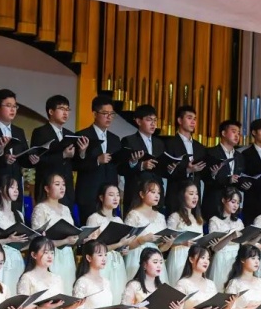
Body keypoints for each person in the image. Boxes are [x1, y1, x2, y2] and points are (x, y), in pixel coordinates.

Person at [30, 94, 88, 214]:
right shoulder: (40, 132)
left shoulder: (70, 134)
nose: (65, 113)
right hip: (47, 187)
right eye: (61, 109)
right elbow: (38, 160)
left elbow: (75, 164)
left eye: (67, 109)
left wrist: (82, 152)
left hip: (67, 189)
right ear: (51, 111)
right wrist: (62, 155)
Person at [30, 173, 81, 294]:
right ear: (47, 188)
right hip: (50, 255)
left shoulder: (66, 209)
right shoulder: (40, 208)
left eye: (63, 184)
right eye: (57, 184)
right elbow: (37, 240)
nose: (62, 187)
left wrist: (78, 238)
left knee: (67, 288)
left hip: (67, 255)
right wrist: (64, 241)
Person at [85, 183, 136, 302]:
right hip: (102, 262)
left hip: (117, 262)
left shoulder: (118, 219)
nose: (115, 198)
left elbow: (121, 244)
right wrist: (118, 244)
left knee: (118, 293)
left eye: (117, 195)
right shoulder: (94, 218)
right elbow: (92, 248)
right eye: (111, 195)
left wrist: (124, 249)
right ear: (101, 197)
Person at [74, 96, 122, 224]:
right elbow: (75, 164)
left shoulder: (115, 139)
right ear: (95, 114)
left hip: (110, 195)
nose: (109, 117)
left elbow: (117, 166)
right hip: (89, 194)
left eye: (112, 114)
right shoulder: (82, 135)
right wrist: (96, 160)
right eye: (105, 113)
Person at [0, 89, 29, 213]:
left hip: (16, 189)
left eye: (15, 106)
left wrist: (33, 159)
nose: (13, 109)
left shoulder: (19, 131)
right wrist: (1, 154)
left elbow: (24, 158)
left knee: (16, 220)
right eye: (8, 106)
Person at [0, 175, 30, 295]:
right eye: (12, 187)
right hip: (0, 258)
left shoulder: (19, 215)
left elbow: (22, 241)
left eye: (17, 188)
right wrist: (8, 240)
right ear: (1, 189)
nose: (16, 191)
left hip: (16, 258)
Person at [123, 179, 174, 282]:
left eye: (158, 193)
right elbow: (125, 244)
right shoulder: (134, 215)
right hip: (137, 257)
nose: (157, 196)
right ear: (142, 194)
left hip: (155, 258)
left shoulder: (160, 217)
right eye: (153, 192)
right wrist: (143, 239)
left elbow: (160, 248)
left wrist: (168, 244)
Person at [118, 104, 165, 215]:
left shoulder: (160, 143)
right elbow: (121, 168)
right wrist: (140, 165)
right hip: (136, 194)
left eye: (155, 120)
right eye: (149, 120)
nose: (153, 123)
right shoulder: (129, 141)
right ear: (139, 121)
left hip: (156, 195)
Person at [163, 105, 207, 216]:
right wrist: (187, 170)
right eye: (189, 118)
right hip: (176, 195)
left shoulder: (200, 147)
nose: (193, 122)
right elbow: (166, 171)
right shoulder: (169, 143)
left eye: (195, 119)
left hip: (195, 199)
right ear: (179, 120)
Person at [202, 119, 249, 221]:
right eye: (233, 132)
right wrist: (226, 179)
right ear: (223, 133)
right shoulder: (210, 152)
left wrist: (243, 183)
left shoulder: (240, 156)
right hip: (214, 202)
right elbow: (206, 178)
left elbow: (240, 177)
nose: (237, 135)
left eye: (238, 133)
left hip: (232, 205)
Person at [165, 181, 205, 286]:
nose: (195, 197)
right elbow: (166, 243)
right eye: (191, 194)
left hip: (196, 257)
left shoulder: (198, 218)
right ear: (182, 196)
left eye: (196, 194)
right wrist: (182, 243)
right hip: (179, 256)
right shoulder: (175, 217)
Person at [207, 186, 245, 291]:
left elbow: (245, 242)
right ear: (223, 200)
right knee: (220, 289)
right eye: (233, 202)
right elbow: (214, 248)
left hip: (236, 258)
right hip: (221, 258)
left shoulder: (239, 222)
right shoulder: (214, 220)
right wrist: (230, 237)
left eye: (238, 203)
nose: (236, 205)